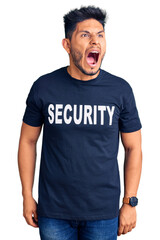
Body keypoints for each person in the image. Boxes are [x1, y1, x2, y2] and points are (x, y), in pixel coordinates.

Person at [18, 5, 142, 240]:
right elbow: (27, 141)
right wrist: (26, 195)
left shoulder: (120, 90)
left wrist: (130, 202)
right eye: (85, 35)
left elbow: (133, 147)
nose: (95, 42)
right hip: (53, 212)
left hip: (103, 214)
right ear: (67, 44)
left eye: (100, 35)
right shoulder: (44, 87)